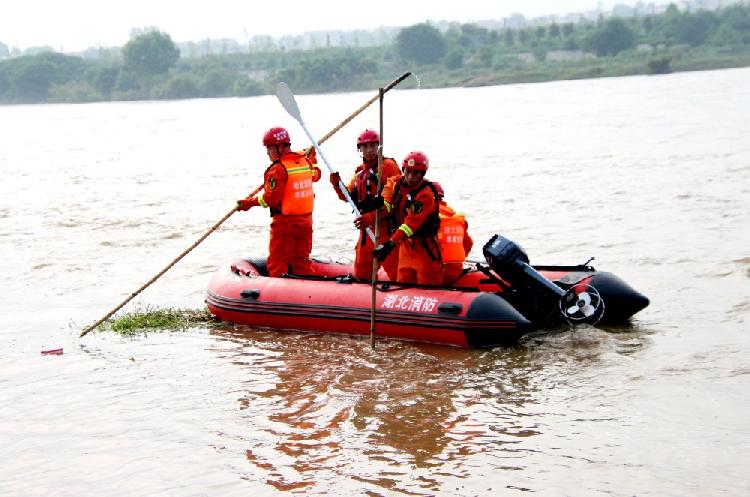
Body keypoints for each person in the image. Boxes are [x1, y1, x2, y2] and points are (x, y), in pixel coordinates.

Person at [236, 127, 321, 277]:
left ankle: (276, 295)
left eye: (269, 148)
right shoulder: (304, 162)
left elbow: (270, 199)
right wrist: (312, 160)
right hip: (306, 223)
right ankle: (306, 293)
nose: (268, 153)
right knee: (301, 261)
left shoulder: (278, 169)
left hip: (285, 224)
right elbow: (316, 175)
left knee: (278, 262)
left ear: (280, 147)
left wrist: (249, 203)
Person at [357, 151, 443, 285]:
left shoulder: (425, 194)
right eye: (407, 171)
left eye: (415, 173)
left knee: (428, 287)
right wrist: (379, 204)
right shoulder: (395, 182)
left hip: (424, 248)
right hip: (405, 247)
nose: (410, 176)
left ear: (422, 174)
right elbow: (387, 203)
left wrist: (391, 243)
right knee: (402, 286)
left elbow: (410, 225)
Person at [329, 129, 401, 280]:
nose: (369, 150)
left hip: (386, 231)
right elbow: (348, 197)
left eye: (373, 146)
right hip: (366, 233)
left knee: (398, 276)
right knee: (362, 274)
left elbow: (392, 202)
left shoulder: (388, 166)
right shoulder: (360, 172)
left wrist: (370, 217)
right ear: (360, 149)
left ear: (379, 147)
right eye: (365, 147)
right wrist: (337, 185)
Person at [433, 182, 474, 286]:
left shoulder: (426, 216)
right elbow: (468, 244)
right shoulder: (456, 218)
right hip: (456, 270)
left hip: (436, 273)